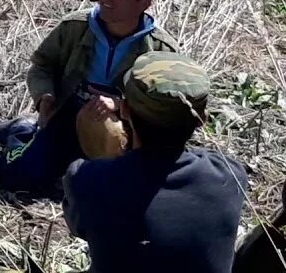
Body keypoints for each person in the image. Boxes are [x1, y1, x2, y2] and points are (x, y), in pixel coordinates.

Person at [63, 52, 247, 273]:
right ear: (202, 120)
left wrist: (114, 156)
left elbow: (81, 228)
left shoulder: (86, 179)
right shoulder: (230, 175)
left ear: (124, 109)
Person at [21, 0, 178, 189]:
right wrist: (44, 96)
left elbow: (168, 109)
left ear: (144, 4)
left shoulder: (161, 50)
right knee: (22, 176)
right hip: (67, 115)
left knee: (110, 190)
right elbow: (42, 65)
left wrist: (120, 104)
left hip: (122, 133)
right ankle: (20, 132)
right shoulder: (75, 27)